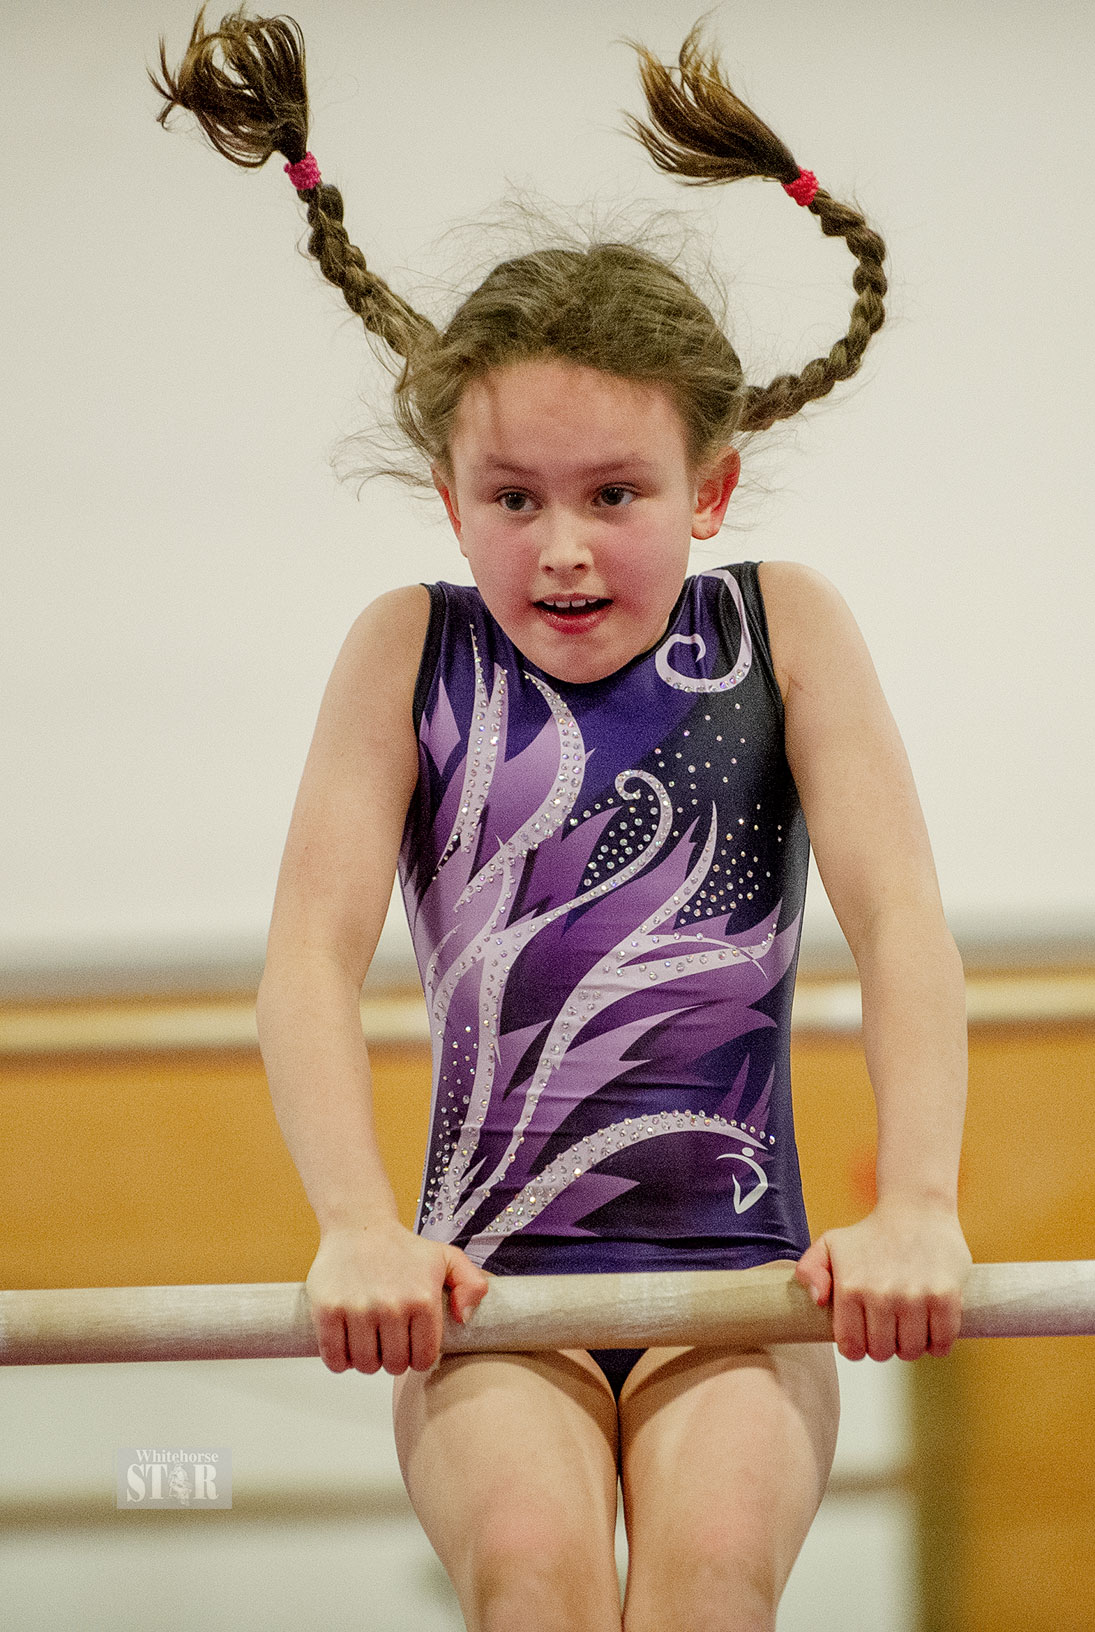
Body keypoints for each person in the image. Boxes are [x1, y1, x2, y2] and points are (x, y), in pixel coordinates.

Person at [153, 11, 972, 1629]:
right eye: (512, 500)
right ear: (449, 497)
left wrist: (924, 1200)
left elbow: (902, 928)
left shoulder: (781, 629)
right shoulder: (411, 650)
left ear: (711, 491)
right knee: (534, 1583)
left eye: (616, 494)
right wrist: (357, 1228)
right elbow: (308, 960)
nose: (563, 550)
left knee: (709, 1586)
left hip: (735, 1286)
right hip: (479, 1284)